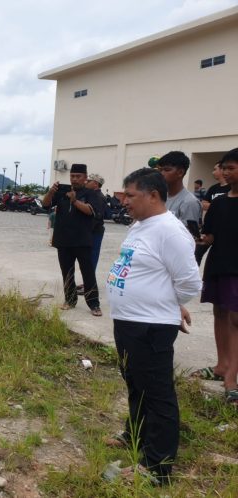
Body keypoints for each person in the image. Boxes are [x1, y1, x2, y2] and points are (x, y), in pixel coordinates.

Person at [106, 167, 201, 484]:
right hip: (129, 322)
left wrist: (171, 305)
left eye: (130, 196)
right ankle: (134, 435)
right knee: (136, 384)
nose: (125, 202)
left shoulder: (170, 231)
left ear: (153, 195)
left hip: (149, 326)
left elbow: (189, 282)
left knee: (158, 394)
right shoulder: (141, 225)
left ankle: (157, 468)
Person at [196, 148, 238, 404]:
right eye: (224, 167)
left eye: (231, 167)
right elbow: (210, 235)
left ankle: (232, 376)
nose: (225, 172)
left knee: (236, 319)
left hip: (236, 269)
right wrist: (199, 239)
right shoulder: (220, 201)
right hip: (218, 265)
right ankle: (222, 365)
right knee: (220, 313)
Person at [42, 163, 104, 316]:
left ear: (85, 177)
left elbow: (91, 211)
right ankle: (70, 300)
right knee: (67, 272)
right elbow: (45, 204)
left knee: (88, 273)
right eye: (72, 176)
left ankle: (94, 304)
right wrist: (51, 192)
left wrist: (75, 201)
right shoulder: (62, 192)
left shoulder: (91, 193)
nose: (74, 179)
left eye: (78, 176)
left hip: (82, 240)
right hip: (63, 240)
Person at [76, 173, 106, 295]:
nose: (85, 182)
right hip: (91, 232)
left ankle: (89, 287)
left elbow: (96, 217)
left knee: (91, 259)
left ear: (95, 184)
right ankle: (86, 283)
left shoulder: (98, 196)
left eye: (88, 181)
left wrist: (85, 231)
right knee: (87, 259)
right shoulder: (92, 195)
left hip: (94, 232)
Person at [195, 162, 230, 265]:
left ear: (221, 170)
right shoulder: (213, 188)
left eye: (215, 169)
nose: (212, 172)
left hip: (225, 230)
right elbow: (203, 204)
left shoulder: (232, 188)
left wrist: (214, 205)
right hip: (209, 229)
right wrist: (219, 205)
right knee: (197, 253)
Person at [156, 151, 202, 230]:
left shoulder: (189, 202)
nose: (161, 173)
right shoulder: (160, 197)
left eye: (166, 170)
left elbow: (187, 235)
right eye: (160, 170)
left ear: (180, 172)